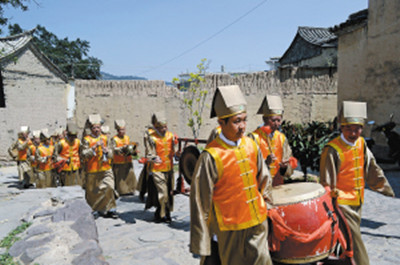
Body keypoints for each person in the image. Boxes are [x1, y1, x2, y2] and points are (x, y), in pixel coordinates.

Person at [190, 85, 273, 265]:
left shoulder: (252, 145)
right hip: (229, 228)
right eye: (237, 121)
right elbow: (200, 200)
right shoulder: (211, 156)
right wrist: (204, 236)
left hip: (257, 222)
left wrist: (267, 204)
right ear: (221, 123)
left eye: (244, 120)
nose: (242, 126)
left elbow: (263, 177)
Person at [319, 101, 395, 265]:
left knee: (347, 241)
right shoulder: (332, 149)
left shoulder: (361, 143)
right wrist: (330, 205)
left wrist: (384, 187)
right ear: (342, 128)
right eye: (348, 128)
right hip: (341, 203)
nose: (353, 133)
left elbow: (371, 167)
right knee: (355, 241)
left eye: (357, 129)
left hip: (358, 200)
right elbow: (326, 180)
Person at [249, 94, 296, 186]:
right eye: (273, 120)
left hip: (278, 183)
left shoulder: (282, 138)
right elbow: (249, 164)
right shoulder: (254, 137)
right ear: (264, 119)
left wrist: (285, 167)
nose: (276, 124)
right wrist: (265, 163)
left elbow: (289, 159)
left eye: (279, 120)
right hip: (260, 184)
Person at [81, 114, 118, 219]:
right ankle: (95, 209)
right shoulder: (86, 140)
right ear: (91, 129)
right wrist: (93, 148)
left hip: (106, 168)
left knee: (110, 187)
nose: (96, 130)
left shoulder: (105, 138)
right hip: (92, 169)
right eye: (94, 128)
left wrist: (107, 151)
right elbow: (83, 154)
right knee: (93, 192)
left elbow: (111, 153)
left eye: (98, 127)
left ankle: (111, 208)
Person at [142, 112, 177, 223]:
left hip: (169, 169)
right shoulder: (151, 138)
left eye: (165, 126)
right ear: (156, 127)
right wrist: (153, 158)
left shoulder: (170, 136)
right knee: (163, 193)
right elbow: (149, 153)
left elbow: (174, 150)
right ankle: (161, 215)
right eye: (161, 127)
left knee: (169, 193)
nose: (164, 129)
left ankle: (165, 213)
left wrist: (178, 154)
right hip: (157, 169)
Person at [110, 119, 138, 195]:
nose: (122, 131)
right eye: (120, 130)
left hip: (128, 160)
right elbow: (113, 149)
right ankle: (122, 191)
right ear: (117, 130)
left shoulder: (127, 137)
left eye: (123, 130)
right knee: (121, 178)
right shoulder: (114, 139)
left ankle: (131, 189)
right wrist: (121, 148)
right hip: (119, 161)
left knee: (130, 175)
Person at [54, 122, 82, 186]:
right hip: (65, 169)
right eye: (71, 136)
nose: (72, 138)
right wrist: (62, 159)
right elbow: (55, 156)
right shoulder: (61, 143)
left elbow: (81, 153)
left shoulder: (78, 142)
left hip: (76, 168)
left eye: (74, 136)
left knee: (77, 186)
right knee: (66, 187)